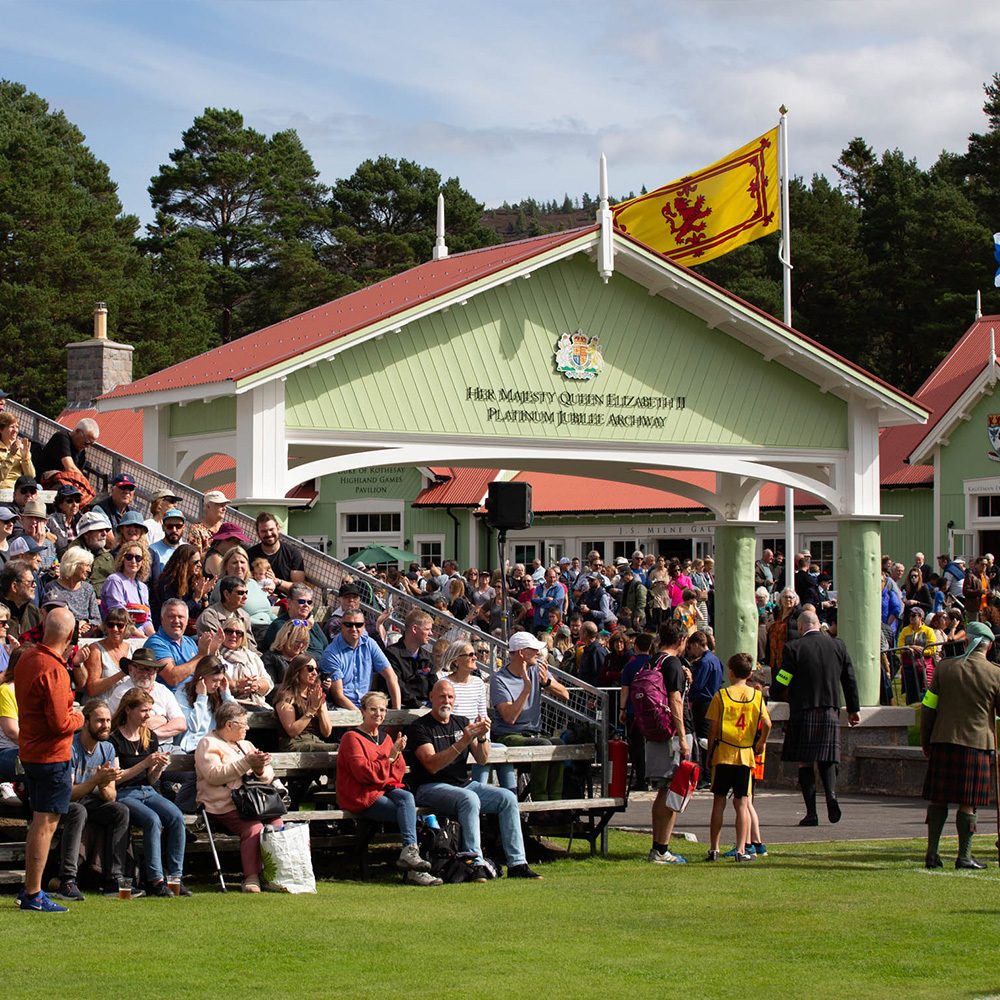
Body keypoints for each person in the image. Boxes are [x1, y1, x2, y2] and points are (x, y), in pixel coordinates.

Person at [408, 678, 542, 880]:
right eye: (442, 696)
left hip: (463, 785)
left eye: (450, 697)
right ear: (431, 697)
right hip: (430, 787)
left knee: (507, 798)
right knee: (469, 799)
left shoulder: (462, 722)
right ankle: (474, 864)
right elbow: (431, 765)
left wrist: (482, 737)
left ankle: (517, 864)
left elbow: (482, 758)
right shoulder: (420, 727)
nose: (446, 701)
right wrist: (463, 741)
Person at [14, 606, 84, 911]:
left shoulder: (28, 657)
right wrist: (80, 717)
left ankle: (30, 889)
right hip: (51, 756)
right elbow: (60, 723)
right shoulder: (54, 669)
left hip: (31, 752)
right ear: (69, 636)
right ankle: (33, 893)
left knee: (38, 823)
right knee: (45, 825)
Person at [335, 691, 440, 886]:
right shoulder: (351, 738)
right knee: (410, 817)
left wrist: (393, 758)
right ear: (362, 711)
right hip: (361, 794)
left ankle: (410, 854)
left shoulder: (386, 738)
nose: (378, 713)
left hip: (383, 789)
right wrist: (390, 758)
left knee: (407, 798)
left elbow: (398, 772)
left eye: (382, 710)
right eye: (373, 709)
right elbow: (363, 774)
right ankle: (415, 871)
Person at [921, 621, 1000, 869]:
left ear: (966, 642)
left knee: (938, 799)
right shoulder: (996, 674)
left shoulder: (943, 668)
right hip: (977, 744)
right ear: (988, 647)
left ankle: (932, 853)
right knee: (968, 801)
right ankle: (964, 856)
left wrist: (926, 740)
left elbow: (928, 707)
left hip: (942, 740)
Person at [771, 609, 861, 826]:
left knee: (805, 761)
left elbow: (784, 677)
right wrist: (853, 708)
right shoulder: (838, 645)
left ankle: (811, 813)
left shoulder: (794, 647)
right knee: (827, 757)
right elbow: (849, 678)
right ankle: (831, 795)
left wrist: (773, 691)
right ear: (818, 624)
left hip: (803, 710)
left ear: (801, 627)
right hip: (829, 709)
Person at [195, 701, 285, 892]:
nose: (248, 728)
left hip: (254, 802)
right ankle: (251, 877)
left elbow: (268, 775)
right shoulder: (207, 743)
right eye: (244, 724)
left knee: (277, 824)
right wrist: (246, 763)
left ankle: (278, 875)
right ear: (229, 725)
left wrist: (260, 769)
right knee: (254, 828)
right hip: (223, 804)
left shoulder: (246, 744)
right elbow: (213, 775)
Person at [109, 688, 189, 896]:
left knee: (176, 816)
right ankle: (156, 880)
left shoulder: (149, 736)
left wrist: (159, 766)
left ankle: (175, 878)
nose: (148, 715)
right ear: (128, 710)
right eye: (144, 710)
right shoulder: (114, 739)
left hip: (147, 790)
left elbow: (152, 779)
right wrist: (144, 763)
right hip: (125, 793)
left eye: (150, 710)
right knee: (152, 820)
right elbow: (117, 779)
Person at [54, 698, 134, 901]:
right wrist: (96, 780)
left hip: (90, 800)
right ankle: (68, 880)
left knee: (120, 810)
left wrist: (104, 783)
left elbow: (111, 796)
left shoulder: (108, 749)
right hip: (63, 802)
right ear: (85, 722)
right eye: (100, 721)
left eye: (108, 720)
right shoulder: (69, 747)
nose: (105, 725)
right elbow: (68, 794)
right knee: (78, 810)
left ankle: (114, 879)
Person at [704, 652, 772, 863]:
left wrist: (709, 754)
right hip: (745, 754)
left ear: (730, 672)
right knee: (742, 803)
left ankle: (714, 848)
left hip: (724, 752)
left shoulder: (721, 695)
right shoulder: (756, 696)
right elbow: (767, 723)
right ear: (749, 674)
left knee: (719, 801)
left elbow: (713, 729)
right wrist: (760, 742)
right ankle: (741, 849)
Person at [490, 631, 570, 801]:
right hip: (508, 736)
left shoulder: (536, 669)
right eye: (533, 649)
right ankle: (540, 802)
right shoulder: (499, 679)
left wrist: (546, 683)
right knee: (543, 745)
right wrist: (527, 689)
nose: (538, 653)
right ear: (521, 652)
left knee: (558, 744)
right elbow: (509, 718)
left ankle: (555, 801)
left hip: (533, 733)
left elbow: (565, 694)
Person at [104, 647, 187, 749]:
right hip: (134, 747)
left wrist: (152, 735)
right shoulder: (122, 692)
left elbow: (181, 724)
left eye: (149, 669)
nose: (145, 674)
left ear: (156, 671)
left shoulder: (163, 690)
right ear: (130, 669)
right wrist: (163, 720)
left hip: (166, 746)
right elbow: (129, 725)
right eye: (140, 669)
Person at [320, 611, 401, 710]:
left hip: (367, 704)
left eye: (358, 625)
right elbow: (338, 696)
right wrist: (361, 715)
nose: (354, 629)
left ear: (364, 626)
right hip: (342, 707)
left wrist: (397, 711)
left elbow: (391, 676)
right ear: (342, 626)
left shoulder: (370, 643)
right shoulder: (331, 653)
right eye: (349, 625)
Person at [145, 597, 222, 693]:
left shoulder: (189, 642)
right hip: (171, 698)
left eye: (180, 617)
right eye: (171, 616)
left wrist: (211, 651)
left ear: (187, 620)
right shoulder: (155, 643)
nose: (176, 621)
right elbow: (172, 678)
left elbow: (202, 672)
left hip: (195, 695)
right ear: (162, 619)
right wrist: (201, 655)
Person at [272, 654, 333, 751]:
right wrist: (312, 709)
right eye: (310, 669)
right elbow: (292, 732)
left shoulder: (316, 696)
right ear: (297, 670)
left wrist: (320, 709)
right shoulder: (286, 697)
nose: (314, 673)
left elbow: (327, 733)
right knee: (338, 749)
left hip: (315, 741)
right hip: (294, 743)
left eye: (316, 670)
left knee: (342, 748)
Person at [618, 632, 655, 791]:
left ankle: (641, 779)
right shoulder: (655, 663)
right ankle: (654, 778)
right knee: (653, 745)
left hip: (635, 711)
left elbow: (625, 690)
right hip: (654, 711)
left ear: (636, 647)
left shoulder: (630, 666)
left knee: (637, 747)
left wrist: (622, 709)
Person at [36, 418, 99, 505]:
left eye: (91, 444)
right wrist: (88, 486)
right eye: (87, 442)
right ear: (77, 431)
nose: (88, 446)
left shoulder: (81, 453)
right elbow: (70, 468)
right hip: (44, 482)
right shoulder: (61, 437)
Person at [150, 542, 213, 629]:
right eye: (196, 562)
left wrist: (204, 597)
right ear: (185, 564)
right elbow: (176, 613)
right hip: (167, 628)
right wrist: (196, 598)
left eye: (200, 561)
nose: (200, 565)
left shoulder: (194, 582)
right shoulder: (168, 583)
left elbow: (197, 614)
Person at [217, 614, 273, 711]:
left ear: (243, 637)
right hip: (228, 704)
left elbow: (268, 682)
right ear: (222, 633)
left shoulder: (252, 656)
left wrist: (256, 685)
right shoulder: (216, 656)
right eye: (229, 631)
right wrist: (236, 685)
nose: (234, 635)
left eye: (238, 633)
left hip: (256, 703)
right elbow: (213, 684)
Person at [100, 538, 154, 637]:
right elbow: (118, 614)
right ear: (122, 559)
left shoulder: (143, 587)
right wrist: (142, 637)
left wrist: (153, 638)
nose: (133, 561)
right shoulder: (115, 580)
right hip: (119, 636)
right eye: (129, 557)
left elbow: (147, 620)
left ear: (143, 561)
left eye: (138, 558)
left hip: (139, 637)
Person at [43, 546, 101, 637]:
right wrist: (76, 625)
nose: (89, 570)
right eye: (87, 565)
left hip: (85, 637)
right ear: (74, 564)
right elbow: (52, 620)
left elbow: (97, 620)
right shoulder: (52, 588)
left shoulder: (88, 589)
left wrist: (85, 622)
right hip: (61, 636)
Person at [383, 608, 435, 707]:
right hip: (402, 707)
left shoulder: (427, 657)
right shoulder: (391, 654)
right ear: (414, 629)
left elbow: (435, 684)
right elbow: (398, 686)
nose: (431, 634)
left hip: (426, 706)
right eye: (427, 629)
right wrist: (419, 706)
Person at [259, 582, 327, 657]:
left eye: (309, 602)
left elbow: (325, 644)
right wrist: (306, 627)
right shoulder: (280, 625)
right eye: (301, 601)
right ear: (289, 602)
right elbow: (290, 653)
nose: (306, 605)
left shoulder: (310, 621)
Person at [247, 511, 305, 598]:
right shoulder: (250, 554)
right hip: (257, 600)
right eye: (264, 531)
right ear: (258, 533)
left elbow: (299, 588)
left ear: (278, 528)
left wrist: (277, 581)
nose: (269, 534)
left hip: (286, 602)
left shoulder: (293, 553)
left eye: (271, 529)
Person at [82, 608, 134, 698]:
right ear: (105, 626)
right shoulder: (96, 650)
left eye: (120, 625)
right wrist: (122, 673)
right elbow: (92, 689)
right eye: (111, 625)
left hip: (125, 704)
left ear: (127, 627)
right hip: (101, 703)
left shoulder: (132, 650)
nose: (115, 629)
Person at [196, 574, 257, 647]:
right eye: (240, 593)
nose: (245, 597)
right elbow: (214, 647)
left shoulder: (244, 616)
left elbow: (251, 646)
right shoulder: (209, 617)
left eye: (246, 593)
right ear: (226, 594)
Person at [65, 510, 115, 592]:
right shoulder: (72, 557)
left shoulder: (108, 557)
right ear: (86, 534)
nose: (105, 534)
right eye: (100, 530)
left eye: (106, 530)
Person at [0, 560, 41, 639]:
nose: (35, 585)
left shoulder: (34, 613)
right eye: (30, 582)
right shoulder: (1, 614)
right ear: (14, 586)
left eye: (34, 581)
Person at [93, 473, 137, 541]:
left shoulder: (132, 513)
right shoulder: (100, 509)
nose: (127, 491)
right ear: (112, 489)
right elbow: (110, 542)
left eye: (130, 488)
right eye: (123, 487)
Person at [186, 490, 229, 555]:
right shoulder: (196, 530)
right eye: (221, 505)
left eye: (225, 505)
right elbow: (194, 557)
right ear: (208, 506)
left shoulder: (226, 528)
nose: (224, 509)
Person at [46, 484, 83, 557]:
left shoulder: (81, 520)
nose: (75, 504)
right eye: (70, 501)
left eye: (77, 500)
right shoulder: (50, 521)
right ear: (60, 504)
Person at [0, 411, 34, 490]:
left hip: (22, 488)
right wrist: (11, 455)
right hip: (5, 488)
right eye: (12, 427)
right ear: (1, 429)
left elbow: (31, 476)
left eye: (17, 427)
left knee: (38, 488)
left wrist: (26, 458)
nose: (15, 430)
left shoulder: (21, 448)